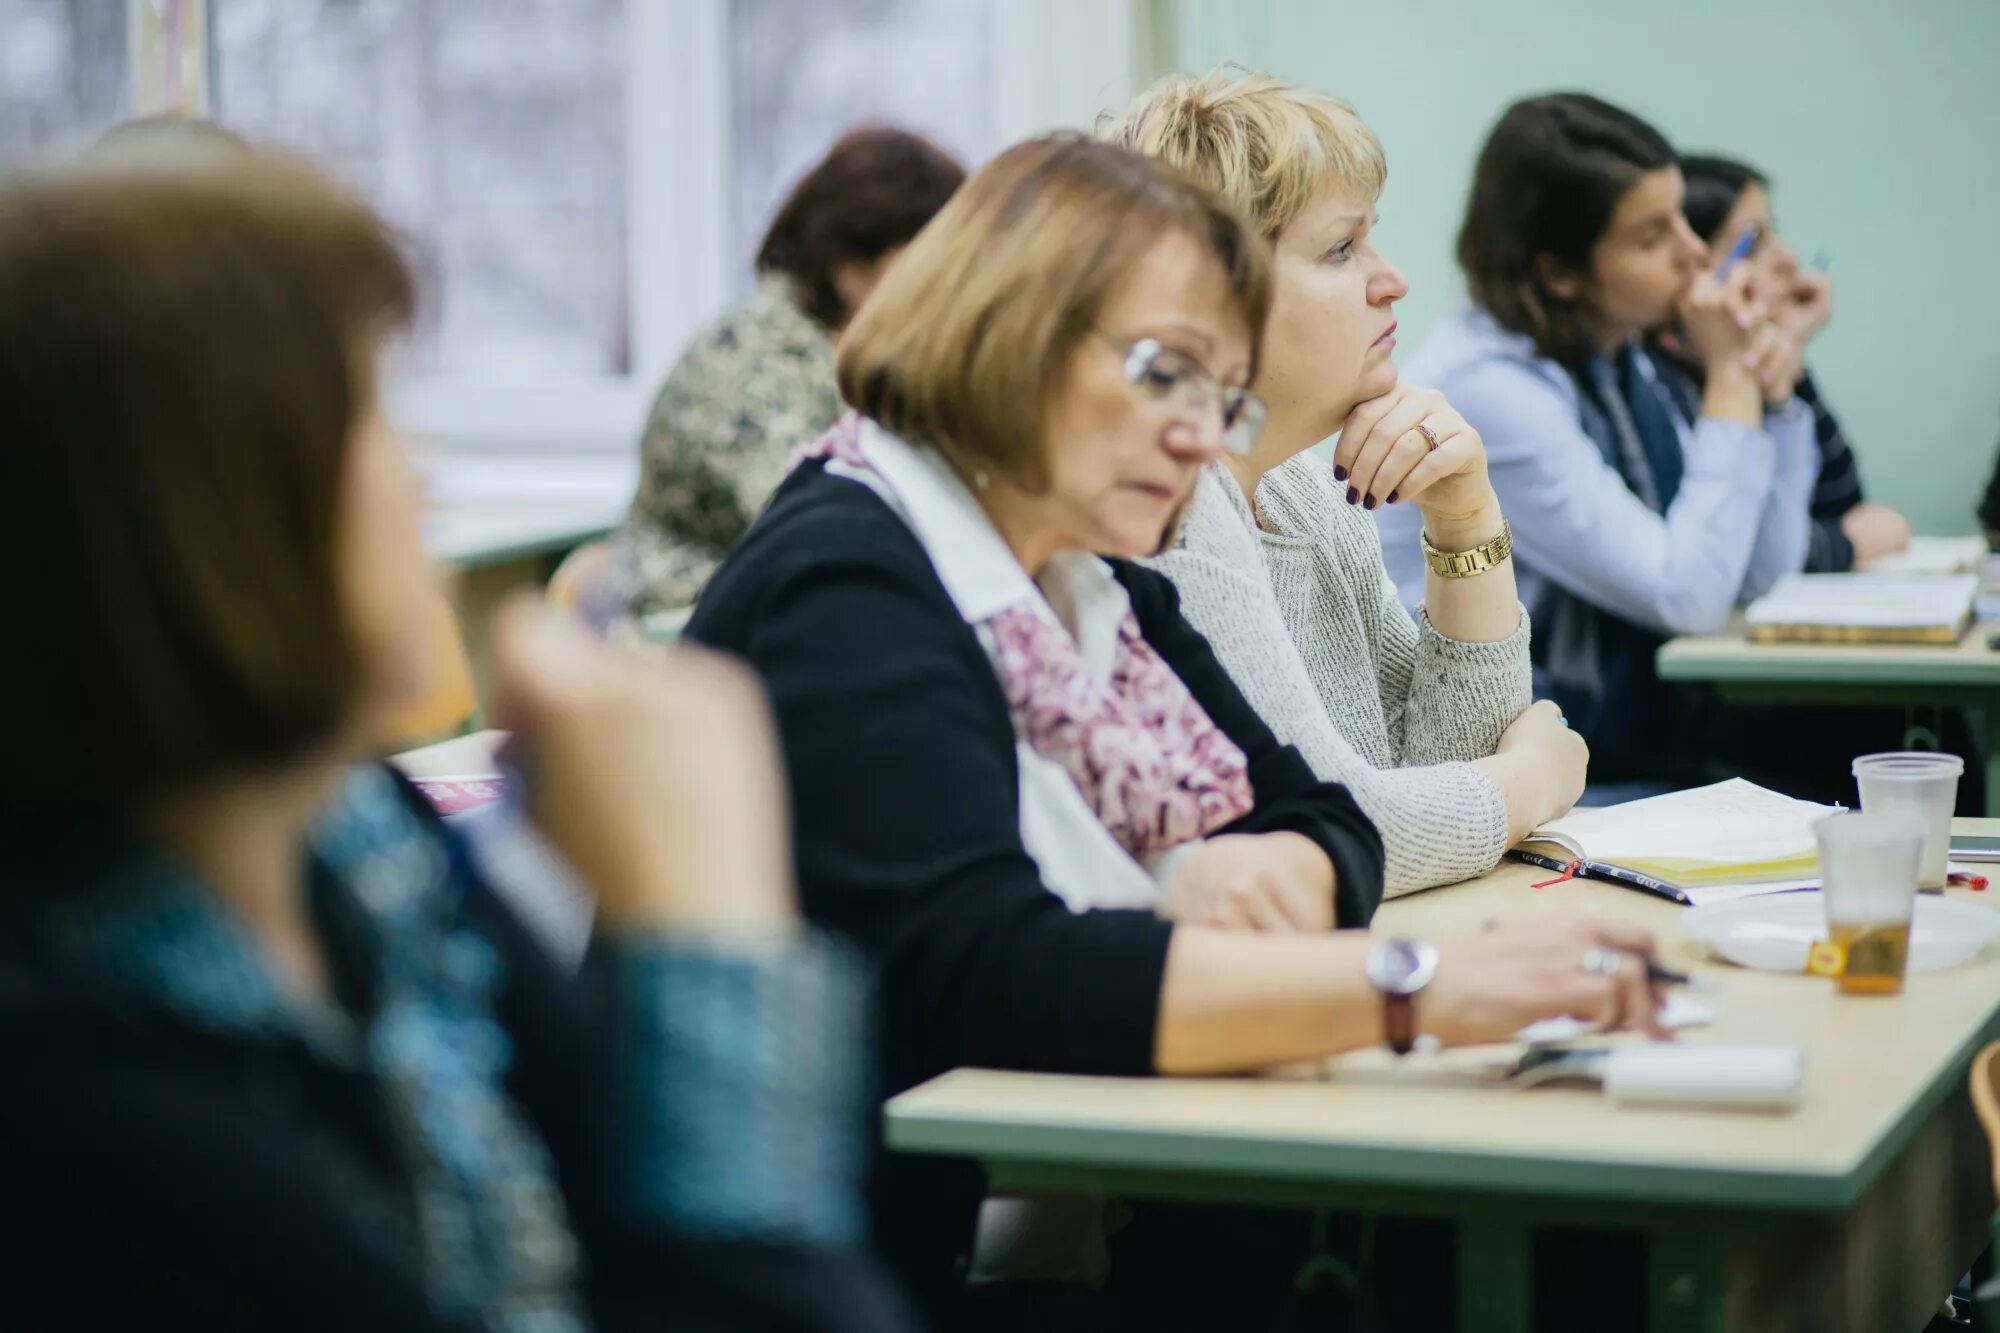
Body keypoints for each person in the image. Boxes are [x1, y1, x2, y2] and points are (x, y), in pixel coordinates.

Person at [684, 132, 1669, 1324]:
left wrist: (1280, 864)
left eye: (1220, 392)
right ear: (1009, 332)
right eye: (1162, 372)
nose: (1200, 435)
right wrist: (1418, 986)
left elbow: (1321, 812)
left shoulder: (1093, 574)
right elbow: (992, 974)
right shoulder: (846, 578)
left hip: (1082, 1190)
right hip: (885, 1267)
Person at [0, 155, 909, 1332]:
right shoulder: (75, 1109)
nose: (423, 480)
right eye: (371, 411)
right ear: (205, 508)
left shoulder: (376, 856)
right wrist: (707, 939)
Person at [1101, 68, 1586, 896]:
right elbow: (1342, 827)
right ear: (1214, 298)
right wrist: (1535, 778)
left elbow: (1439, 761)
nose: (1390, 278)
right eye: (1340, 249)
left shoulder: (1297, 483)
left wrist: (1464, 519)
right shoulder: (1171, 507)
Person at [1379, 94, 1821, 793]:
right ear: (1559, 273)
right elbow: (1691, 597)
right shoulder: (1492, 387)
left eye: (1683, 217)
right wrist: (1731, 380)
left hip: (1583, 729)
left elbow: (1757, 579)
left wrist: (1771, 399)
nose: (1696, 252)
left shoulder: (1613, 358)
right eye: (1652, 238)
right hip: (1462, 762)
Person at [604, 126, 966, 618]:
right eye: (926, 267)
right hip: (683, 638)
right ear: (848, 265)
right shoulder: (746, 360)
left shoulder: (854, 355)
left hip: (780, 612)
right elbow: (828, 530)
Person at [1677, 152, 1910, 571]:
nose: (1787, 258)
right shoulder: (1665, 384)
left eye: (1775, 233)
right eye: (1751, 244)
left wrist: (1787, 351)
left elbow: (1840, 501)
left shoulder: (1745, 361)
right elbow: (1738, 556)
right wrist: (1843, 545)